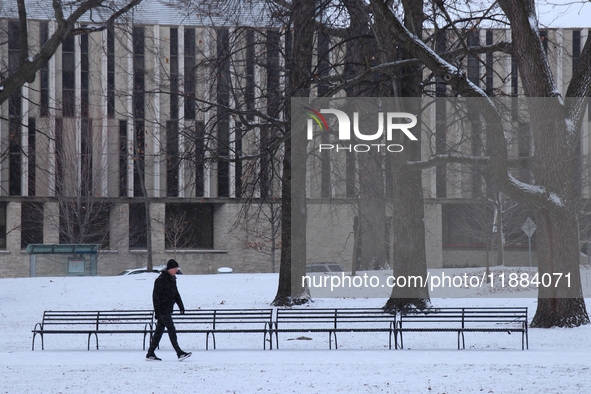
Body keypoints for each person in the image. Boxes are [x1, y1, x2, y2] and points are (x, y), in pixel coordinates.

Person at [146, 259, 192, 361]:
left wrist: (181, 306)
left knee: (158, 332)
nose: (177, 270)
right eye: (175, 268)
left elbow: (176, 294)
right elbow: (155, 297)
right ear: (170, 269)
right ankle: (179, 353)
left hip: (167, 310)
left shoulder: (172, 279)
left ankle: (150, 353)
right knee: (171, 330)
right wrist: (157, 312)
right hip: (163, 310)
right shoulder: (161, 280)